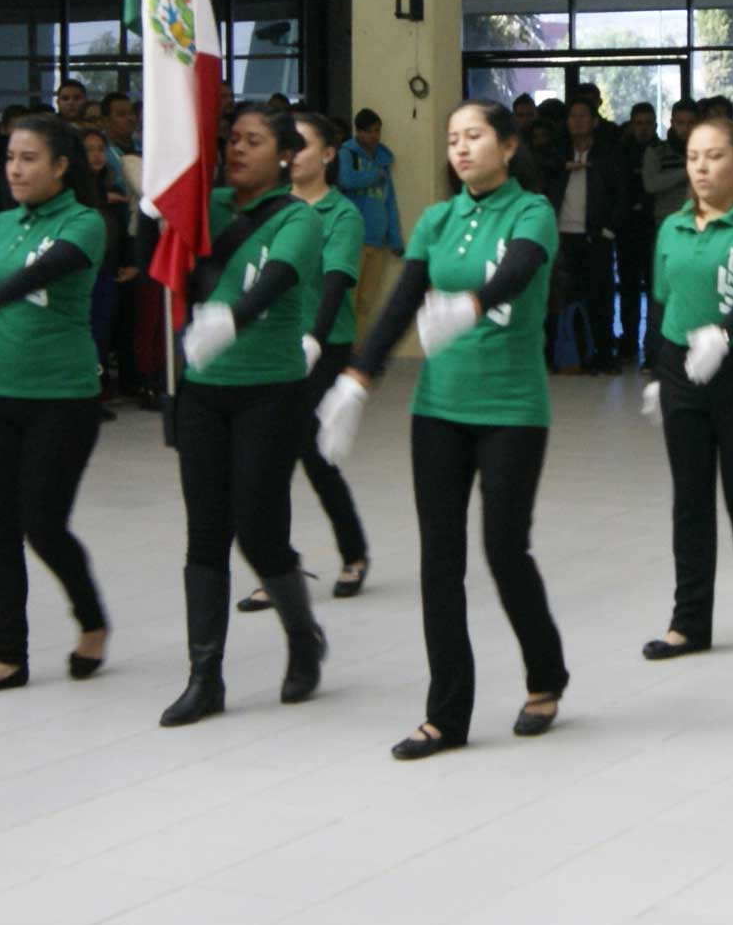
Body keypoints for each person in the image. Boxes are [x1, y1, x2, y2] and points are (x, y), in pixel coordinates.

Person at [315, 101, 567, 760]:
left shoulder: (530, 210)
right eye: (453, 139)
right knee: (440, 560)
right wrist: (357, 380)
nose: (460, 148)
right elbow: (401, 305)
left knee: (504, 549)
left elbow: (520, 268)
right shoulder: (437, 218)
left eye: (474, 136)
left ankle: (546, 676)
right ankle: (446, 714)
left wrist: (472, 304)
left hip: (512, 407)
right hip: (439, 409)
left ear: (507, 146)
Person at [158, 104, 333, 726]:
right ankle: (205, 676)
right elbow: (165, 249)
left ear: (284, 155)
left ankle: (303, 636)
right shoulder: (203, 206)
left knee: (259, 529)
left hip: (270, 390)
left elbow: (279, 278)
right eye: (232, 139)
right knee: (205, 532)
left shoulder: (299, 219)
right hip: (203, 390)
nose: (237, 149)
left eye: (253, 141)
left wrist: (229, 320)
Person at [0, 113, 114, 695]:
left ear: (62, 166)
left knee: (43, 524)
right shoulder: (4, 222)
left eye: (30, 158)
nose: (15, 168)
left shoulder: (86, 222)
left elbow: (49, 269)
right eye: (10, 156)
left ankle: (91, 618)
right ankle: (6, 655)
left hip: (61, 397)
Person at [640, 114, 733, 659]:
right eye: (693, 157)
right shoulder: (672, 228)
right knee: (690, 496)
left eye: (715, 156)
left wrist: (722, 335)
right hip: (682, 367)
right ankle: (689, 623)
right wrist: (659, 370)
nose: (701, 168)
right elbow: (663, 303)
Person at [239, 110, 369, 613]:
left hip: (322, 346)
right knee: (267, 461)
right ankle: (278, 569)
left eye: (303, 146)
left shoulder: (343, 215)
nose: (291, 156)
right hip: (271, 345)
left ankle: (353, 552)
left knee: (312, 457)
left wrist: (313, 340)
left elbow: (334, 283)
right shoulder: (268, 209)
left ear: (329, 154)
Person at [547, 98, 633, 371]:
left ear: (595, 121)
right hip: (562, 233)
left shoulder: (608, 153)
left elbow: (622, 194)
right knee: (562, 297)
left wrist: (609, 230)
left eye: (583, 116)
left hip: (596, 234)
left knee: (600, 296)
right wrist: (563, 166)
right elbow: (541, 179)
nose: (578, 121)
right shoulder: (556, 153)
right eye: (573, 116)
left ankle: (603, 355)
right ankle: (567, 355)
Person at [340, 108, 402, 328]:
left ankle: (357, 354)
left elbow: (389, 202)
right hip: (354, 238)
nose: (375, 137)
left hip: (378, 240)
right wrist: (372, 176)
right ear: (358, 132)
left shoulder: (382, 162)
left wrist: (396, 239)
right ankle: (343, 352)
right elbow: (345, 180)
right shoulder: (348, 154)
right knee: (348, 298)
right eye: (370, 132)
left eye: (378, 131)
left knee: (366, 302)